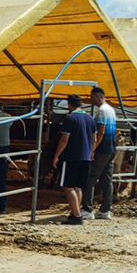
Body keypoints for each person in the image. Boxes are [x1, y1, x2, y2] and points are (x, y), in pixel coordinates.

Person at [52, 94, 96, 225]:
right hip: (86, 156)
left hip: (71, 156)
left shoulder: (70, 119)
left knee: (68, 186)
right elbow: (94, 139)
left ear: (69, 105)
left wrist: (56, 156)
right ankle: (75, 211)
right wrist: (91, 152)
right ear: (81, 104)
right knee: (78, 186)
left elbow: (64, 139)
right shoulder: (90, 119)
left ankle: (76, 216)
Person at [81, 87, 117, 220]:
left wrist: (93, 148)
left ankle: (87, 209)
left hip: (102, 149)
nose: (91, 100)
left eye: (91, 97)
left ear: (97, 96)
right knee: (106, 180)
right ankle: (105, 210)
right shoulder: (111, 110)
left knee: (90, 178)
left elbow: (101, 131)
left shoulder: (102, 111)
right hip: (111, 148)